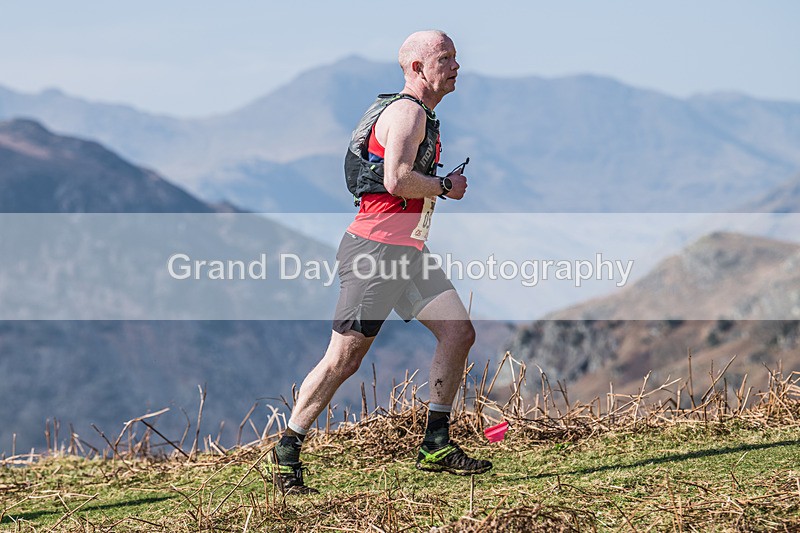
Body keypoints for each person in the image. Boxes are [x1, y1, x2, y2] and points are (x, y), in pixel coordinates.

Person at [270, 30, 492, 494]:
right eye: (445, 58)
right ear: (417, 68)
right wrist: (444, 187)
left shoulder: (419, 114)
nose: (456, 66)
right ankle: (287, 450)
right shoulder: (409, 112)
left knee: (459, 333)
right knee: (343, 360)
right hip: (376, 254)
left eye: (455, 57)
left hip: (406, 252)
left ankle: (435, 442)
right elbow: (396, 180)